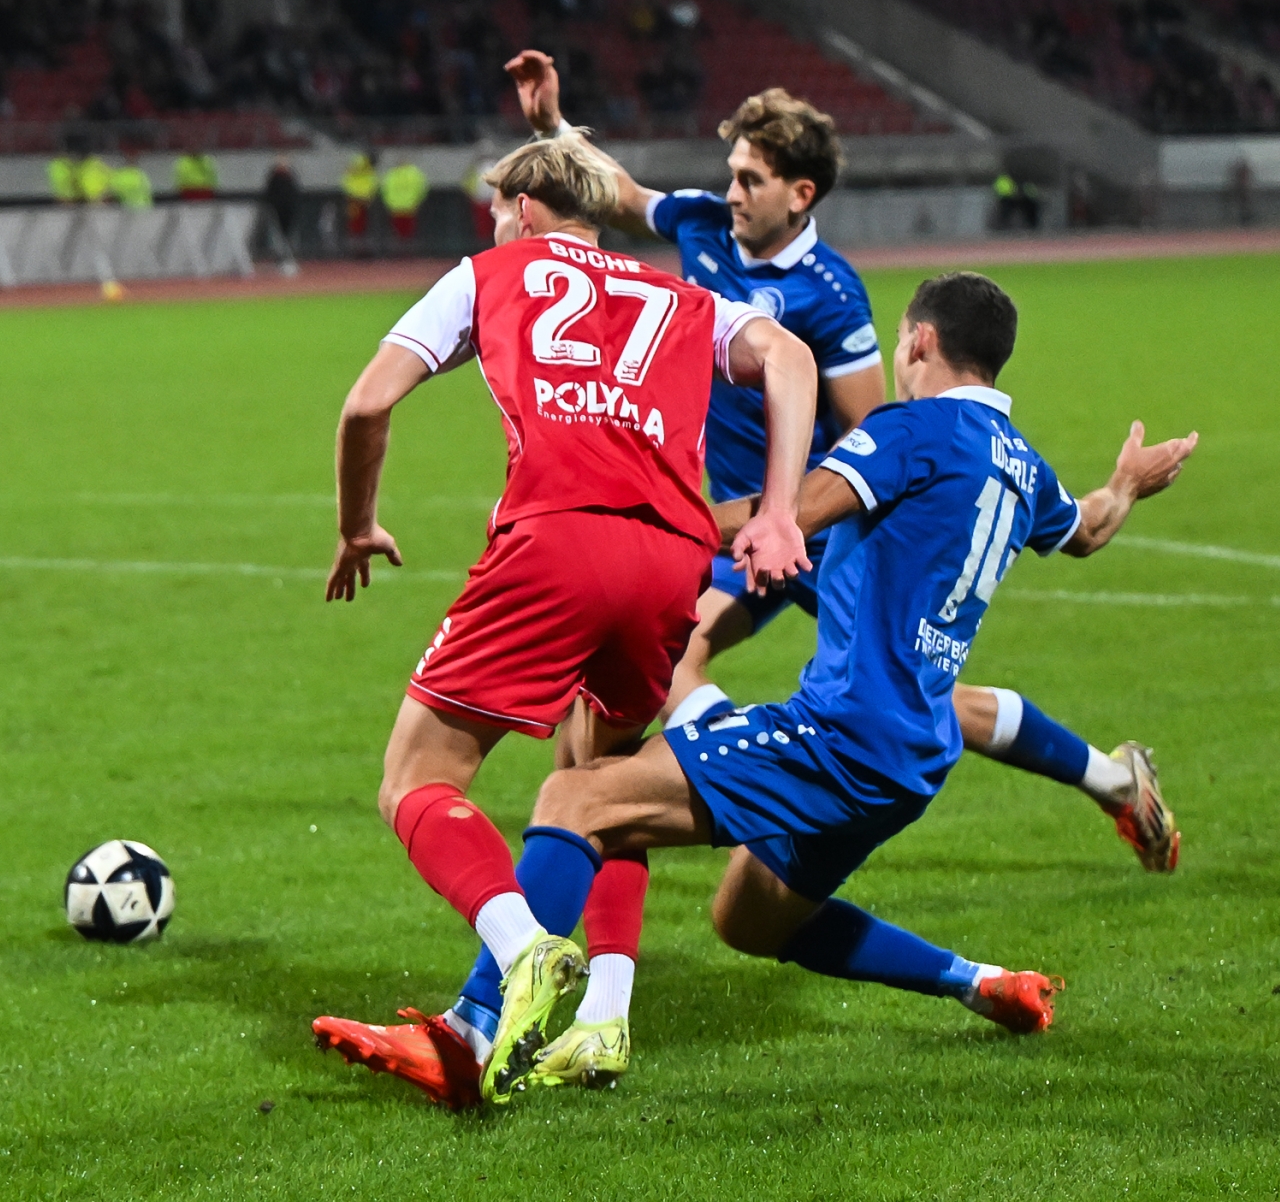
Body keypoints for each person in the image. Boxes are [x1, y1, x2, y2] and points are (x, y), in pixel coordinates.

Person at [514, 273, 1200, 1092]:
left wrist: (643, 516)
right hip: (912, 760)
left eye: (901, 339)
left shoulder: (910, 430)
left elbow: (788, 515)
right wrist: (1126, 484)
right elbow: (1085, 528)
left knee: (576, 798)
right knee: (748, 919)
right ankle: (979, 982)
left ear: (920, 341)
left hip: (837, 736)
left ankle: (483, 1023)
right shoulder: (1025, 466)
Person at [506, 50, 1175, 874]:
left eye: (750, 179)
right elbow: (620, 193)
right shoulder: (703, 225)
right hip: (748, 515)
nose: (731, 192)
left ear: (800, 194)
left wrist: (792, 516)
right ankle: (1110, 777)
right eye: (731, 173)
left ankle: (736, 783)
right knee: (817, 680)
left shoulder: (832, 294)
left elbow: (877, 432)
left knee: (875, 689)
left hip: (812, 524)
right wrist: (551, 127)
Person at [311, 133, 819, 1108]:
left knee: (415, 779)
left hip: (557, 543)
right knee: (595, 785)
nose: (494, 223)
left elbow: (366, 405)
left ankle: (520, 947)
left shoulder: (490, 272)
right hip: (671, 559)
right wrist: (780, 509)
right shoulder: (681, 297)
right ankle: (594, 1017)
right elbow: (789, 358)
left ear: (529, 207)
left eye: (498, 208)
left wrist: (356, 524)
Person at [259, 155, 300, 275]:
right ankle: (281, 259)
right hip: (277, 210)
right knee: (278, 236)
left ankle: (289, 259)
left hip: (289, 211)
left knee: (289, 235)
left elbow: (294, 195)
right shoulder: (274, 178)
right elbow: (269, 194)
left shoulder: (290, 178)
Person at [380, 158, 429, 245]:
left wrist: (389, 204)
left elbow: (384, 190)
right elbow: (385, 190)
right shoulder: (414, 173)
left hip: (402, 208)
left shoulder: (393, 174)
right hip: (404, 208)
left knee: (402, 234)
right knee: (404, 234)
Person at [340, 152, 378, 250]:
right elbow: (348, 178)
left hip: (363, 198)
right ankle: (355, 244)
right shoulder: (359, 164)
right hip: (355, 198)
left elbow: (371, 182)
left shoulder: (369, 169)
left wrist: (369, 195)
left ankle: (360, 243)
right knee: (355, 222)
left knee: (362, 221)